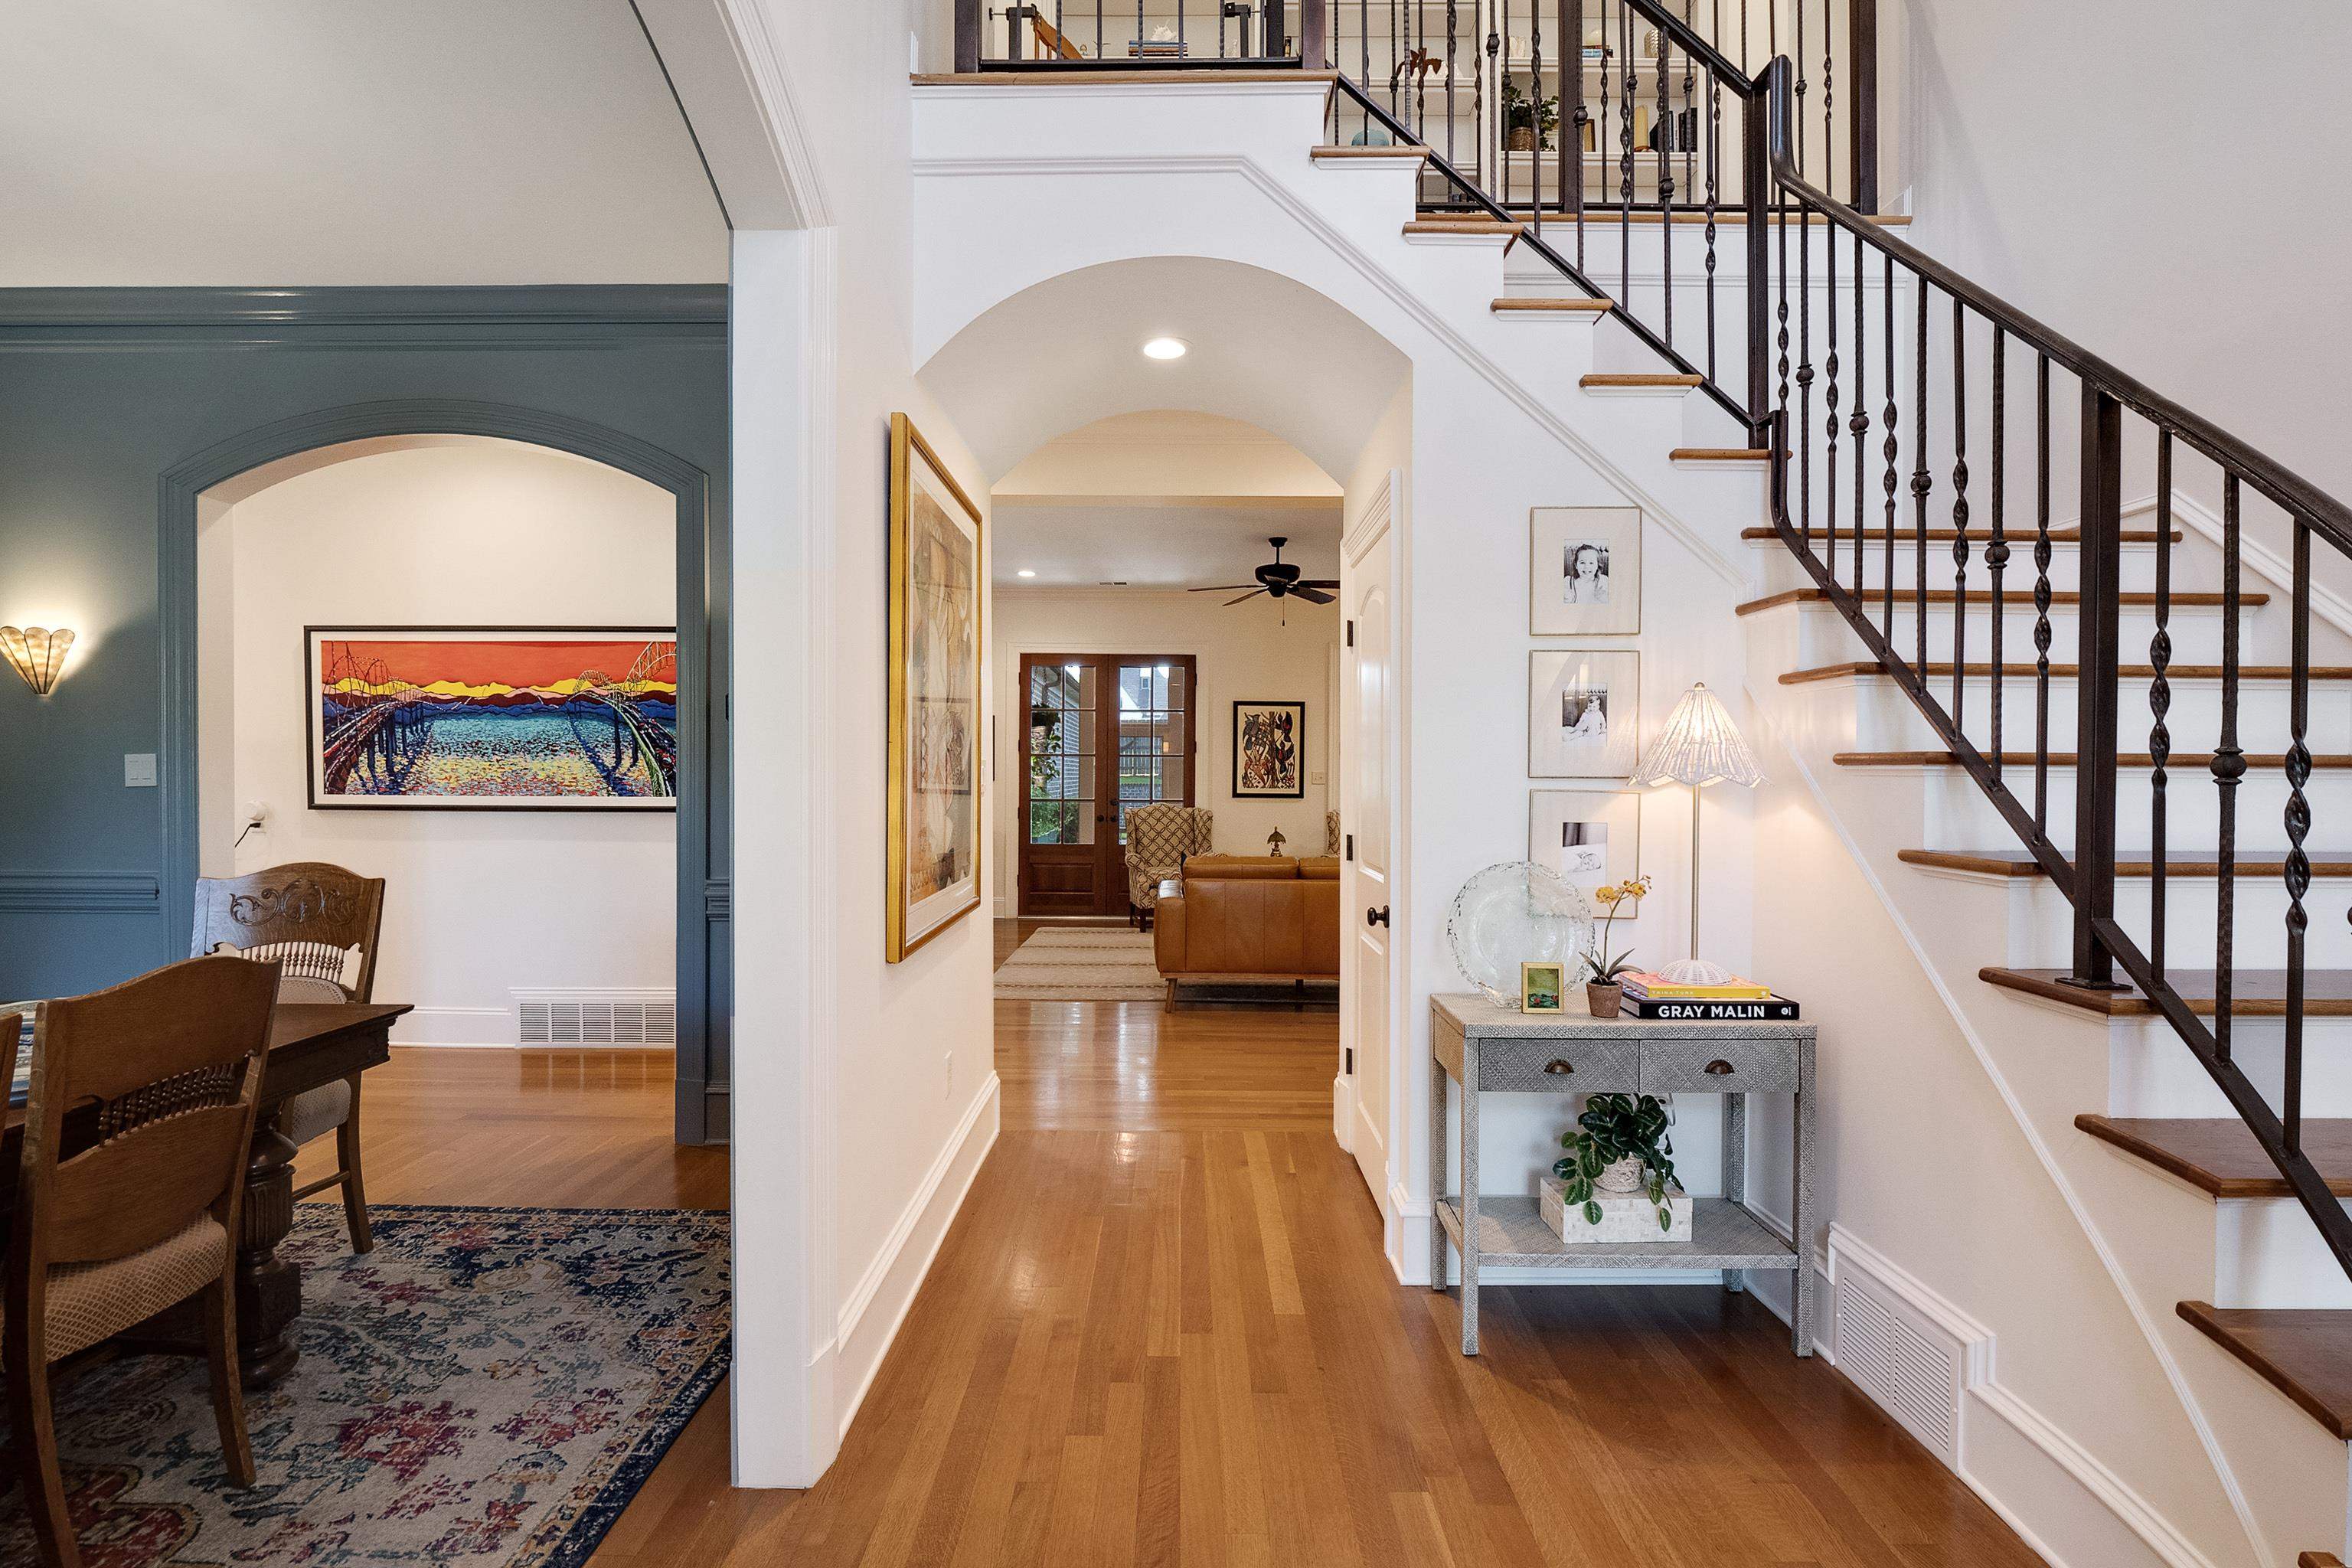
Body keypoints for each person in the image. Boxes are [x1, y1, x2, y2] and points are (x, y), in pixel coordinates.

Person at [1563, 541, 1610, 605]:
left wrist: (1605, 598)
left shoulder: (1603, 581)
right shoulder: (1568, 582)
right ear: (1576, 565)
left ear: (1597, 565)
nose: (1587, 567)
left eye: (1591, 563)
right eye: (1582, 563)